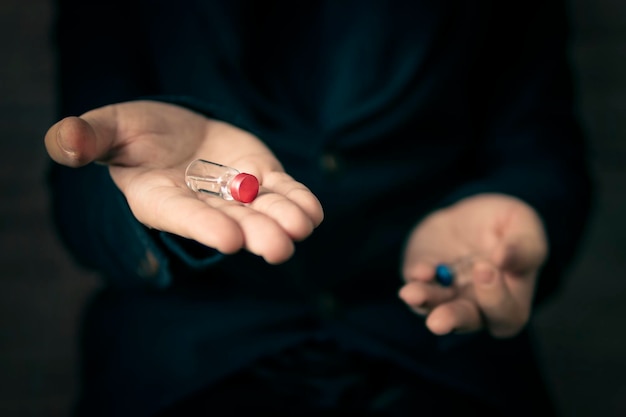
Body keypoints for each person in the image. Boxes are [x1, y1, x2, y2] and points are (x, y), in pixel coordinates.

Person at [44, 0, 592, 416]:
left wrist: (517, 206)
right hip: (185, 368)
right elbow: (78, 193)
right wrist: (133, 200)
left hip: (432, 355)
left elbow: (540, 147)